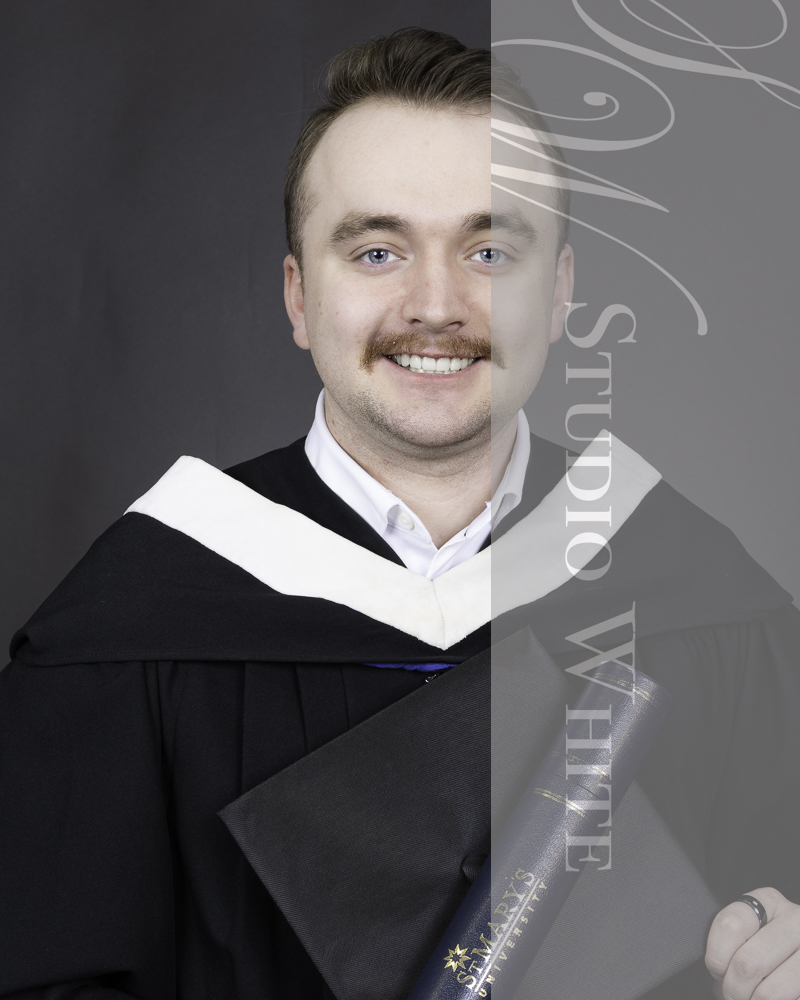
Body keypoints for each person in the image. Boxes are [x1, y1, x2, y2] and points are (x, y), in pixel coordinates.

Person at [1, 26, 798, 1000]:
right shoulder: (129, 629)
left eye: (490, 249)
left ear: (558, 294)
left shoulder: (707, 604)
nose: (435, 303)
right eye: (377, 251)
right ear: (299, 296)